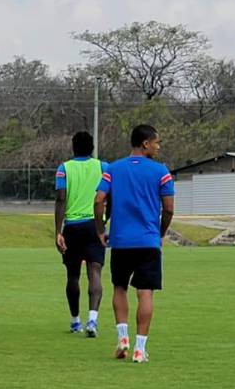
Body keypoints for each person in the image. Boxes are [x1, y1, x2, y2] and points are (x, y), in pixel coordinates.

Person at [93, 124, 174, 363]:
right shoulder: (161, 172)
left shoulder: (113, 169)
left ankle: (122, 338)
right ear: (145, 144)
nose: (158, 147)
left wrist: (100, 229)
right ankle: (140, 348)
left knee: (119, 287)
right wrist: (161, 232)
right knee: (145, 292)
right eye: (157, 142)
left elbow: (98, 200)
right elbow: (169, 208)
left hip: (120, 240)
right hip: (148, 241)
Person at [55, 132, 109, 337]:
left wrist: (58, 231)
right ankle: (92, 320)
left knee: (73, 275)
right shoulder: (104, 167)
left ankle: (75, 320)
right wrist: (105, 219)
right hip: (95, 225)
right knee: (95, 272)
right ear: (92, 148)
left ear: (73, 148)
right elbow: (110, 195)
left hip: (72, 226)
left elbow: (61, 199)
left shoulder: (64, 169)